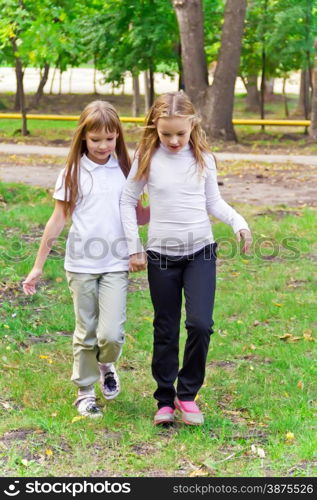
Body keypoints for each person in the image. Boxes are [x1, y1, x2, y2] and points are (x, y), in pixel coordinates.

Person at [120, 91, 252, 426]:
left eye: (181, 132)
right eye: (166, 134)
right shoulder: (148, 156)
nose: (174, 140)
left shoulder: (204, 158)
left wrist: (238, 222)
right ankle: (165, 399)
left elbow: (213, 202)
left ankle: (187, 394)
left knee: (200, 324)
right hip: (161, 256)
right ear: (155, 127)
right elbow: (127, 200)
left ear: (193, 124)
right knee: (165, 327)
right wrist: (134, 245)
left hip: (200, 253)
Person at [23, 100, 149, 418]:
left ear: (118, 137)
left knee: (110, 335)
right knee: (85, 330)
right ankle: (85, 391)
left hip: (116, 264)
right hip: (80, 264)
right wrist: (38, 265)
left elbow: (141, 217)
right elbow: (56, 220)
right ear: (83, 137)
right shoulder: (73, 171)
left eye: (110, 139)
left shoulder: (126, 171)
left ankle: (106, 362)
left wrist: (162, 195)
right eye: (96, 140)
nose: (103, 145)